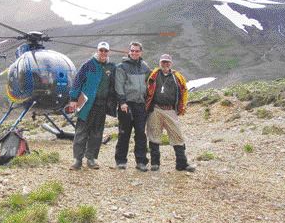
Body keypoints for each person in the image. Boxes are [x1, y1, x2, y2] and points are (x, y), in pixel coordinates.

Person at [68, 41, 116, 170]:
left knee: (97, 133)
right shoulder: (88, 65)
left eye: (105, 51)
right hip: (85, 104)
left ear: (108, 52)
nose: (103, 53)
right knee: (81, 132)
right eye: (101, 50)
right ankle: (77, 160)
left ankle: (91, 159)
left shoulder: (111, 67)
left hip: (102, 105)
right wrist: (73, 99)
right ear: (97, 51)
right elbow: (77, 82)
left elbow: (114, 85)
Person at [145, 54, 195, 172]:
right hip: (155, 109)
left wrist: (181, 107)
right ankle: (155, 164)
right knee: (154, 136)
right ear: (159, 63)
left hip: (170, 110)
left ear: (171, 63)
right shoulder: (154, 74)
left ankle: (181, 164)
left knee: (177, 136)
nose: (165, 64)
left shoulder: (177, 77)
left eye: (167, 62)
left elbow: (184, 90)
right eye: (163, 62)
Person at [114, 42, 151, 171]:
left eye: (137, 51)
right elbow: (119, 85)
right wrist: (122, 102)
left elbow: (150, 85)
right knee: (124, 133)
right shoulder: (121, 67)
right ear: (129, 52)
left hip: (141, 105)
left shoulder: (145, 67)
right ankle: (121, 160)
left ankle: (141, 162)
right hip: (126, 104)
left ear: (141, 52)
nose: (134, 53)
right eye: (132, 51)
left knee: (141, 134)